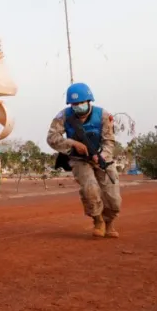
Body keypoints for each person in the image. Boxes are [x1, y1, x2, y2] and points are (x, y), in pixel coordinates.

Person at [46, 82, 121, 238]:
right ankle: (98, 220)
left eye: (81, 103)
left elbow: (109, 141)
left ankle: (110, 223)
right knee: (90, 189)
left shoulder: (104, 116)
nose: (78, 106)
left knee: (113, 197)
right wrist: (72, 144)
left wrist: (100, 157)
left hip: (102, 159)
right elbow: (52, 138)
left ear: (89, 101)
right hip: (78, 159)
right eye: (74, 104)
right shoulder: (64, 116)